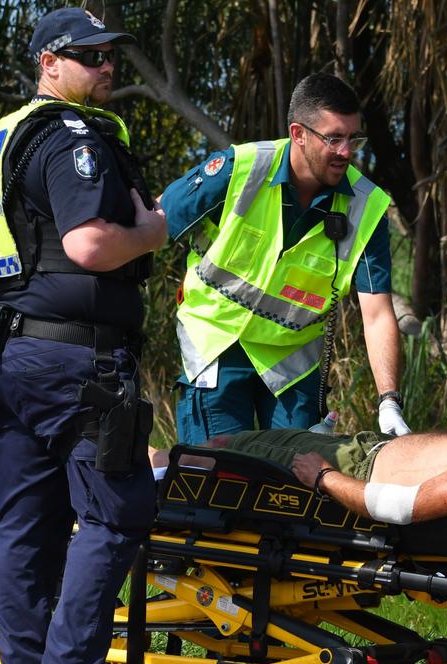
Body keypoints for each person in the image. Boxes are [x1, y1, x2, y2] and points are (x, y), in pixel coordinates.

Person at [0, 8, 166, 664]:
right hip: (72, 356)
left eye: (111, 56)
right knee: (117, 512)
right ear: (50, 62)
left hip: (6, 349)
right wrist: (150, 231)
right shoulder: (73, 135)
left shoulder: (4, 136)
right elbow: (87, 245)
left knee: (22, 523)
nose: (106, 67)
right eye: (89, 56)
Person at [160, 72, 408, 444]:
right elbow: (156, 223)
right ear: (298, 133)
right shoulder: (240, 169)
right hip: (218, 343)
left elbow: (376, 314)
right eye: (334, 138)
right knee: (220, 474)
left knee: (295, 483)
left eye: (353, 138)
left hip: (291, 364)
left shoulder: (367, 206)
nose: (346, 151)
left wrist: (389, 401)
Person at [150, 373, 447, 524]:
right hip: (358, 448)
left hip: (353, 468)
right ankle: (139, 458)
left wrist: (323, 477)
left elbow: (402, 507)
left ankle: (127, 464)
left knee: (210, 455)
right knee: (220, 445)